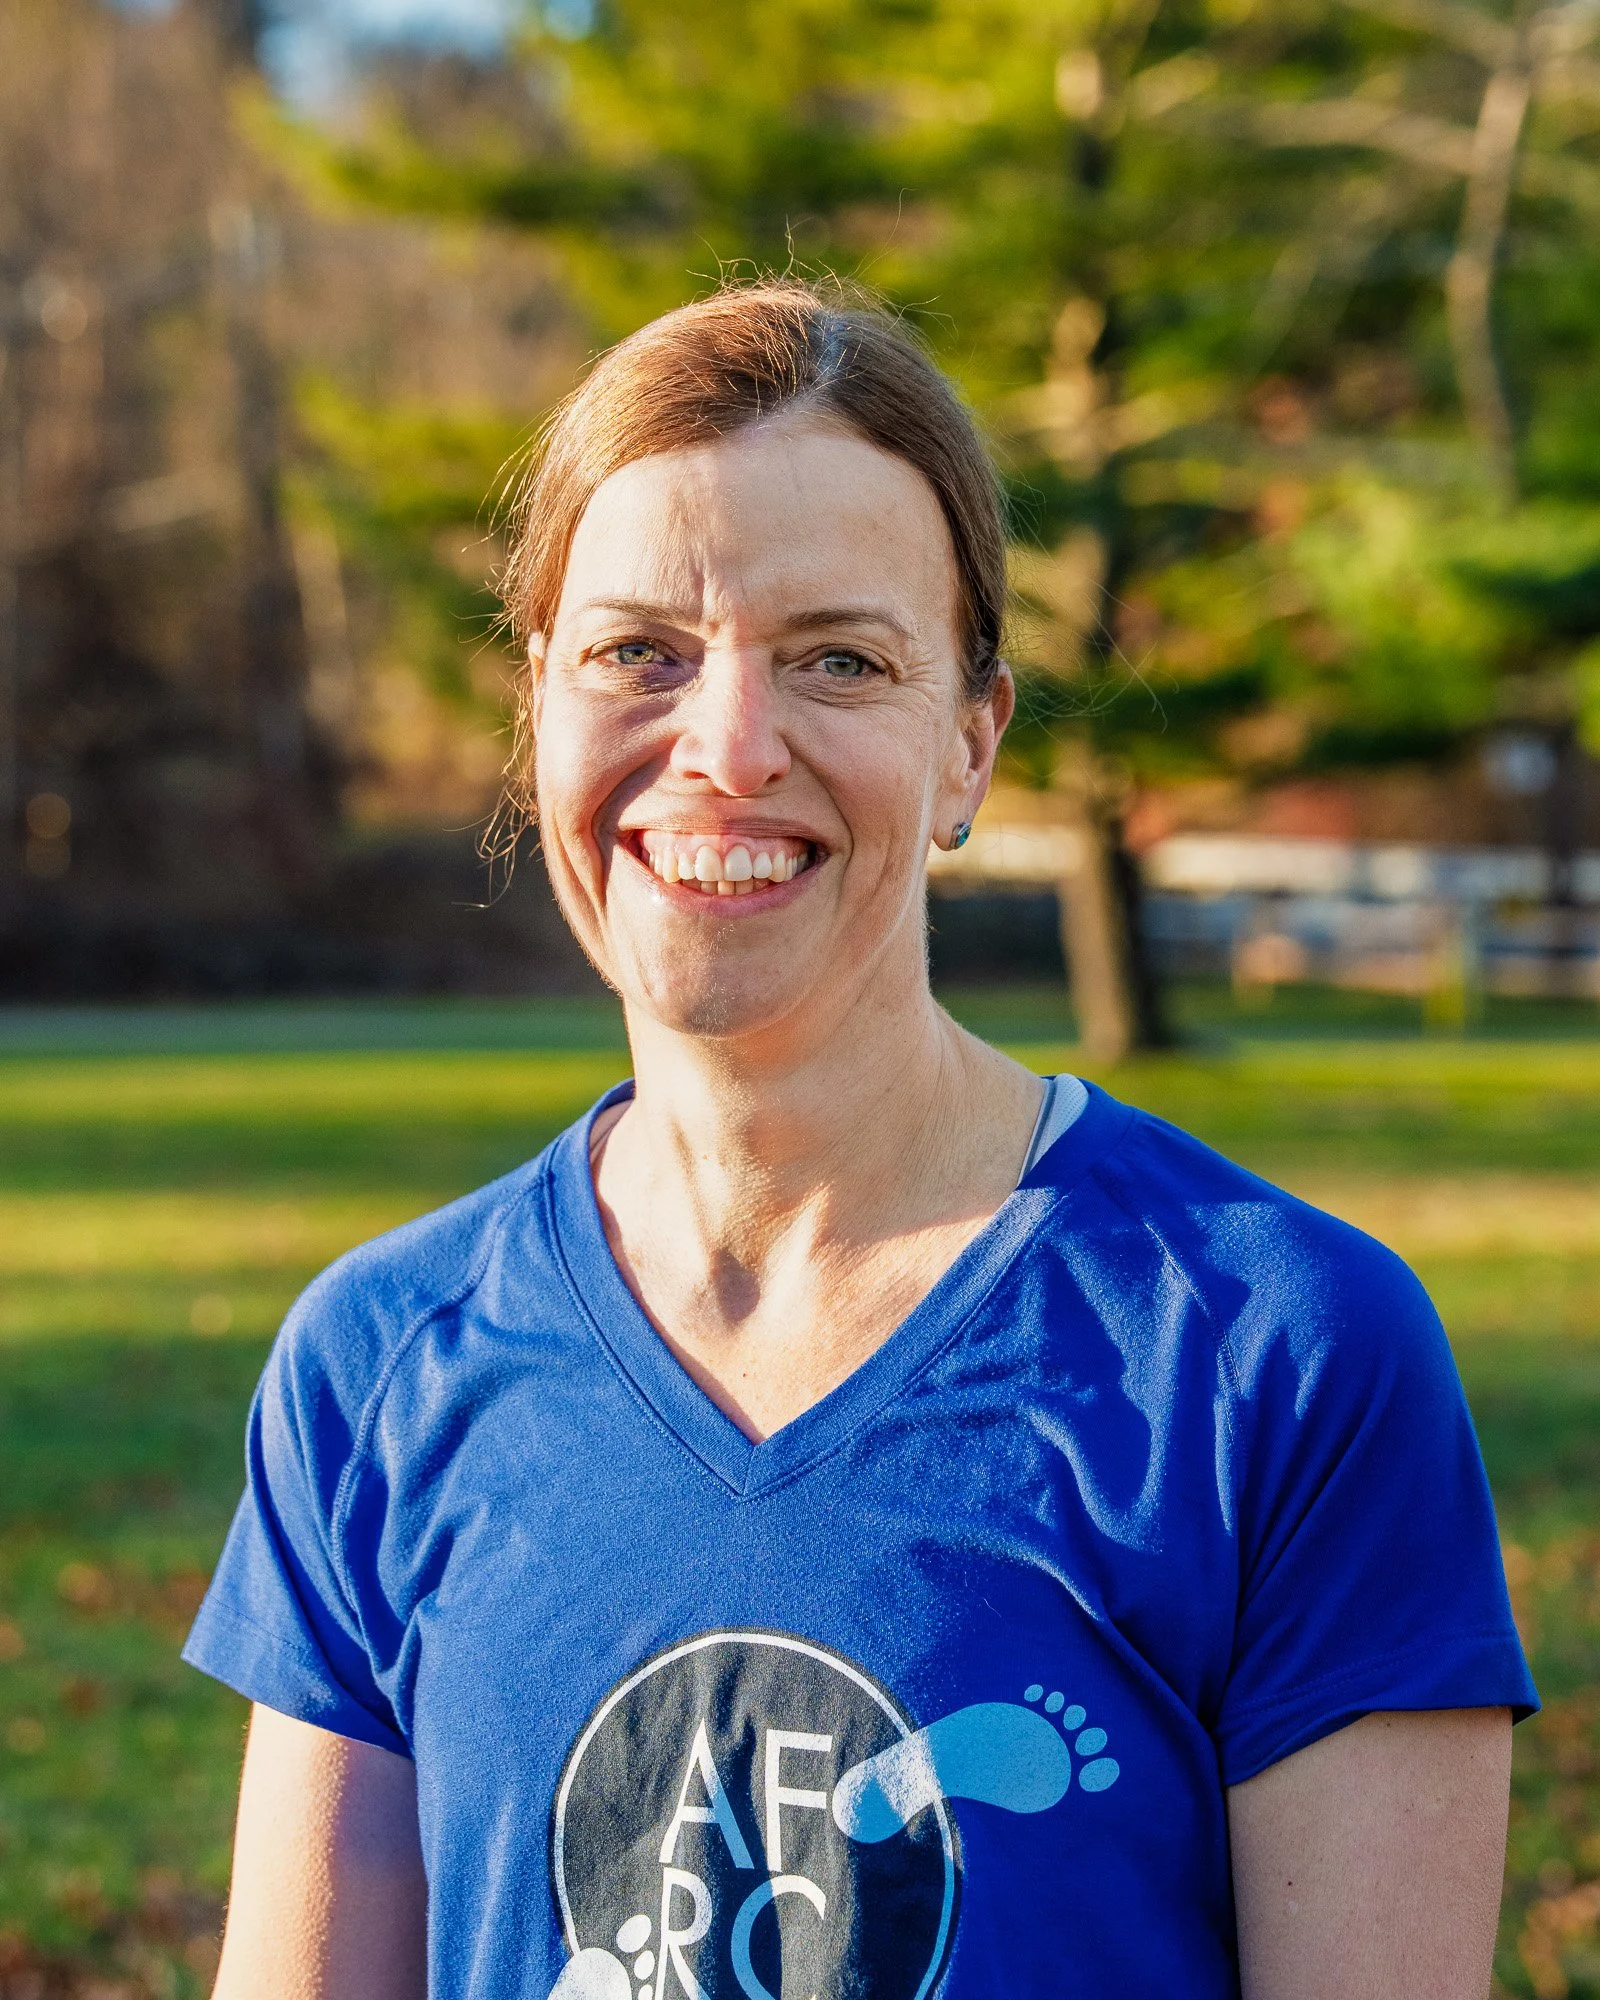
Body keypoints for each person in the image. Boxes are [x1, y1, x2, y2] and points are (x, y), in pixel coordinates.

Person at [185, 281, 1536, 2000]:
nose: (729, 747)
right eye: (637, 653)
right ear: (534, 712)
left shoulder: (1278, 1355)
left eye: (840, 659)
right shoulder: (375, 1368)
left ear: (972, 743)